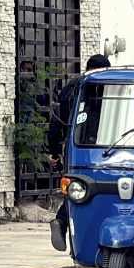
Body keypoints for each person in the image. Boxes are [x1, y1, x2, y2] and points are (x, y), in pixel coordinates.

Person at [50, 54, 111, 253]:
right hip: (102, 147)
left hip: (74, 149)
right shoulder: (105, 86)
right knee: (98, 191)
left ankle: (62, 221)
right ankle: (86, 235)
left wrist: (53, 152)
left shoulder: (70, 88)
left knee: (78, 189)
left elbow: (56, 121)